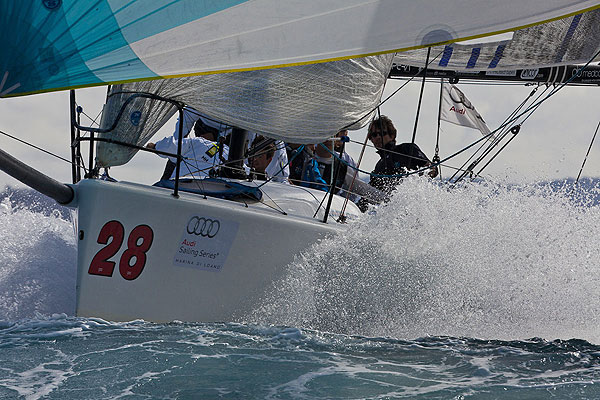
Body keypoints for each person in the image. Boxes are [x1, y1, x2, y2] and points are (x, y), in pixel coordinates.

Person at [367, 115, 437, 194]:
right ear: (371, 139)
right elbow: (370, 195)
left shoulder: (406, 149)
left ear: (392, 135)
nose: (378, 137)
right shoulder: (379, 167)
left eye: (382, 133)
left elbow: (431, 168)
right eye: (374, 135)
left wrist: (420, 175)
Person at [147, 117, 229, 179]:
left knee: (175, 157)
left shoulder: (197, 142)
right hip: (211, 196)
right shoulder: (239, 160)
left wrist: (154, 146)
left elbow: (170, 146)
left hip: (177, 190)